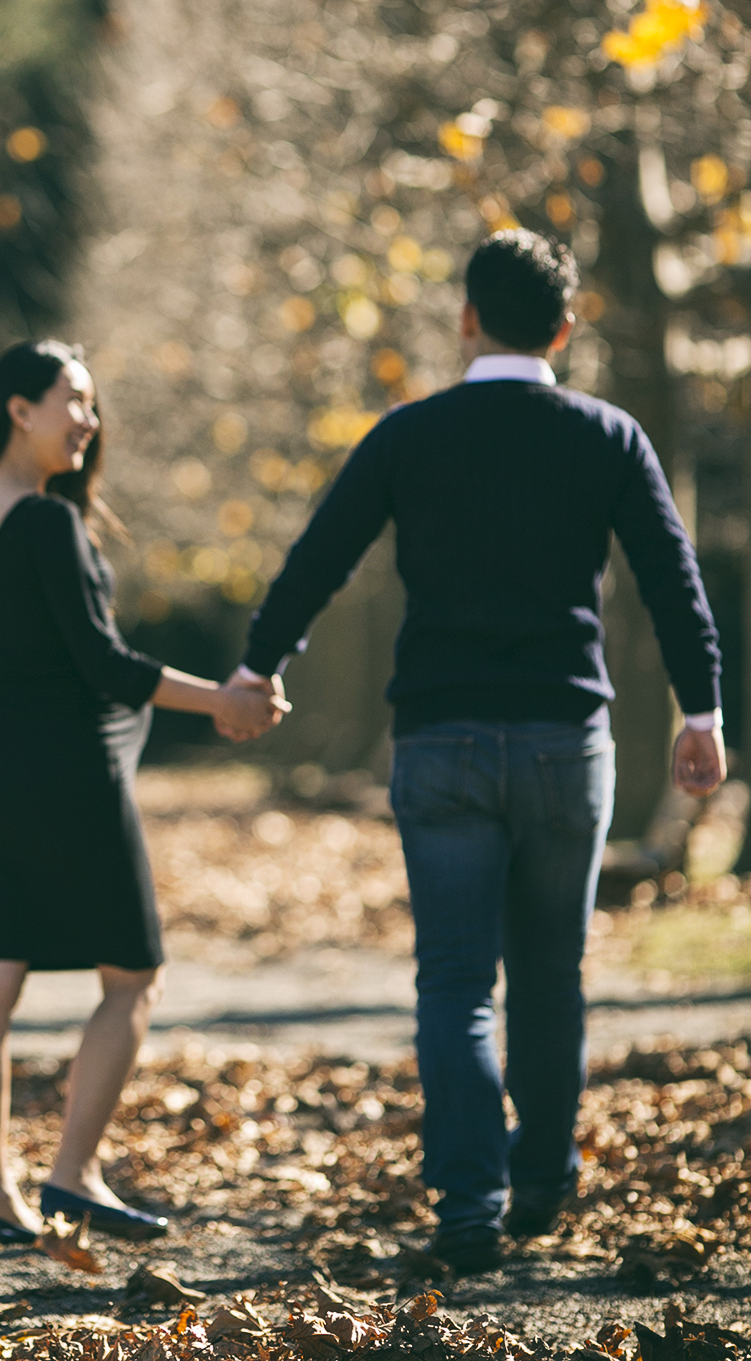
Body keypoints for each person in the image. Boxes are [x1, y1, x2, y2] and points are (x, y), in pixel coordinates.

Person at [226, 230, 725, 1274]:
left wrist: (258, 665)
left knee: (454, 980)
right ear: (565, 325)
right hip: (561, 740)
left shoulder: (410, 434)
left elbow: (318, 553)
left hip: (442, 739)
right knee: (551, 973)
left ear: (465, 317)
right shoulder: (608, 435)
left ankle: (466, 1199)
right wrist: (701, 712)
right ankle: (542, 1177)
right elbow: (673, 580)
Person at [0, 338, 288, 1248]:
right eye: (73, 401)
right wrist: (222, 702)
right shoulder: (48, 523)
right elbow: (101, 664)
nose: (88, 420)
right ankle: (73, 1176)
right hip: (72, 771)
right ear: (20, 407)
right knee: (132, 978)